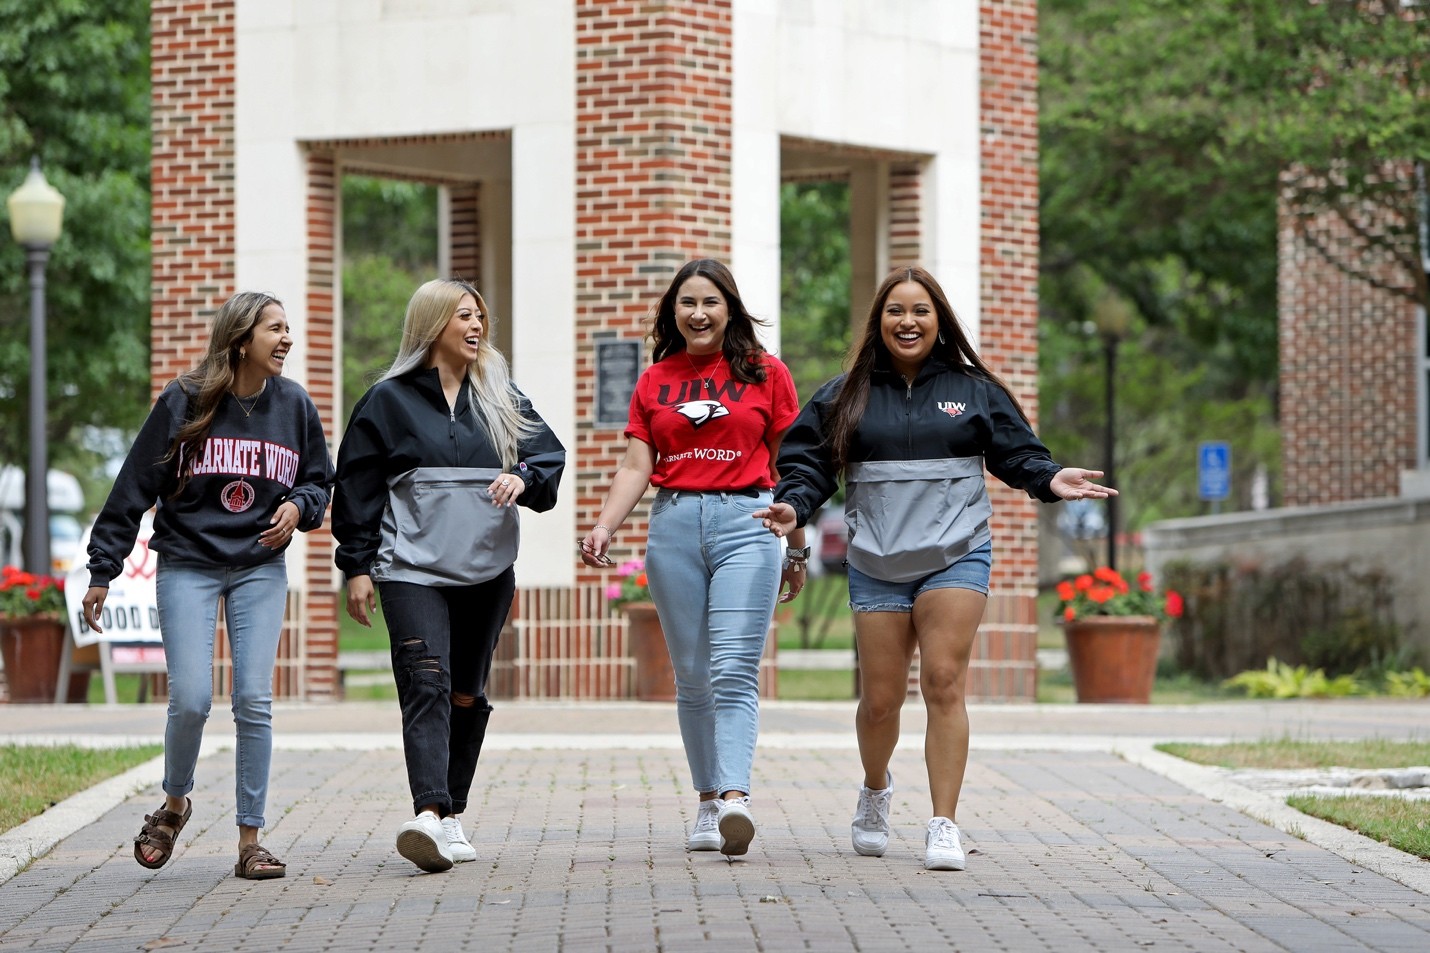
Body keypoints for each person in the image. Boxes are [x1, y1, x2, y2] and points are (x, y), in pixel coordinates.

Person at [754, 265, 1115, 871]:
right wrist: (795, 504)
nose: (908, 322)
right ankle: (875, 789)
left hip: (957, 552)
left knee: (944, 681)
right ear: (880, 322)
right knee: (881, 700)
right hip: (877, 559)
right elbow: (809, 463)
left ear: (939, 320)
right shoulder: (846, 394)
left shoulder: (974, 390)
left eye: (921, 311)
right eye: (896, 311)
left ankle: (943, 822)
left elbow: (1016, 451)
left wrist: (1049, 478)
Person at [81, 291, 334, 881]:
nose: (288, 339)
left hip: (259, 566)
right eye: (276, 329)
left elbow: (320, 482)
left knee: (253, 699)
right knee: (192, 697)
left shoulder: (294, 405)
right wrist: (102, 571)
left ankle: (251, 839)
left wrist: (298, 506)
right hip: (188, 562)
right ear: (241, 339)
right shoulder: (185, 400)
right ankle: (173, 806)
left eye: (288, 328)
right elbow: (132, 488)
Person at [333, 278, 565, 873]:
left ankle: (453, 813)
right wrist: (356, 566)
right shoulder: (387, 401)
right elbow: (356, 488)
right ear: (433, 324)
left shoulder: (501, 396)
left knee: (467, 692)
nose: (477, 325)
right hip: (410, 570)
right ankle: (429, 815)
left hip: (487, 572)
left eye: (480, 316)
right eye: (464, 315)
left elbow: (548, 458)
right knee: (425, 682)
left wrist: (523, 478)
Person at [579, 258, 807, 859]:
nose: (698, 313)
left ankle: (735, 798)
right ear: (673, 312)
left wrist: (798, 546)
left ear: (729, 308)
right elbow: (636, 466)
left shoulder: (767, 374)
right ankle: (707, 801)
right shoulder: (657, 380)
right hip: (674, 524)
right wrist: (605, 525)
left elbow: (791, 465)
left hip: (749, 522)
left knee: (733, 668)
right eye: (687, 303)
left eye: (710, 302)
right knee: (692, 676)